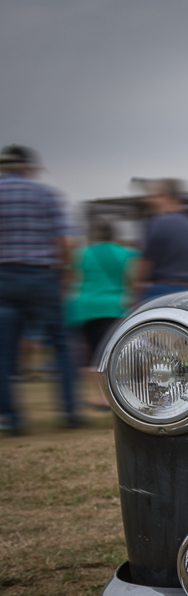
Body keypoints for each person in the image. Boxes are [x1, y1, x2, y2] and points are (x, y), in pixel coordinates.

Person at [0, 144, 83, 434]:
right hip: (42, 276)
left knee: (4, 352)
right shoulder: (46, 194)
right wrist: (66, 274)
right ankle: (71, 410)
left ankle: (10, 418)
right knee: (61, 343)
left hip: (4, 278)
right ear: (28, 167)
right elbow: (64, 239)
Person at [68, 219, 137, 409]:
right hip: (115, 306)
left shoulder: (81, 254)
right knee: (116, 351)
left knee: (92, 351)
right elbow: (132, 280)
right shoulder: (126, 253)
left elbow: (74, 277)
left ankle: (96, 396)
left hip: (86, 307)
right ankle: (113, 395)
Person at [138, 179, 188, 301]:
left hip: (158, 292)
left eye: (153, 196)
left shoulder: (158, 222)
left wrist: (135, 293)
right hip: (187, 291)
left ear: (166, 196)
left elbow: (146, 262)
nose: (148, 200)